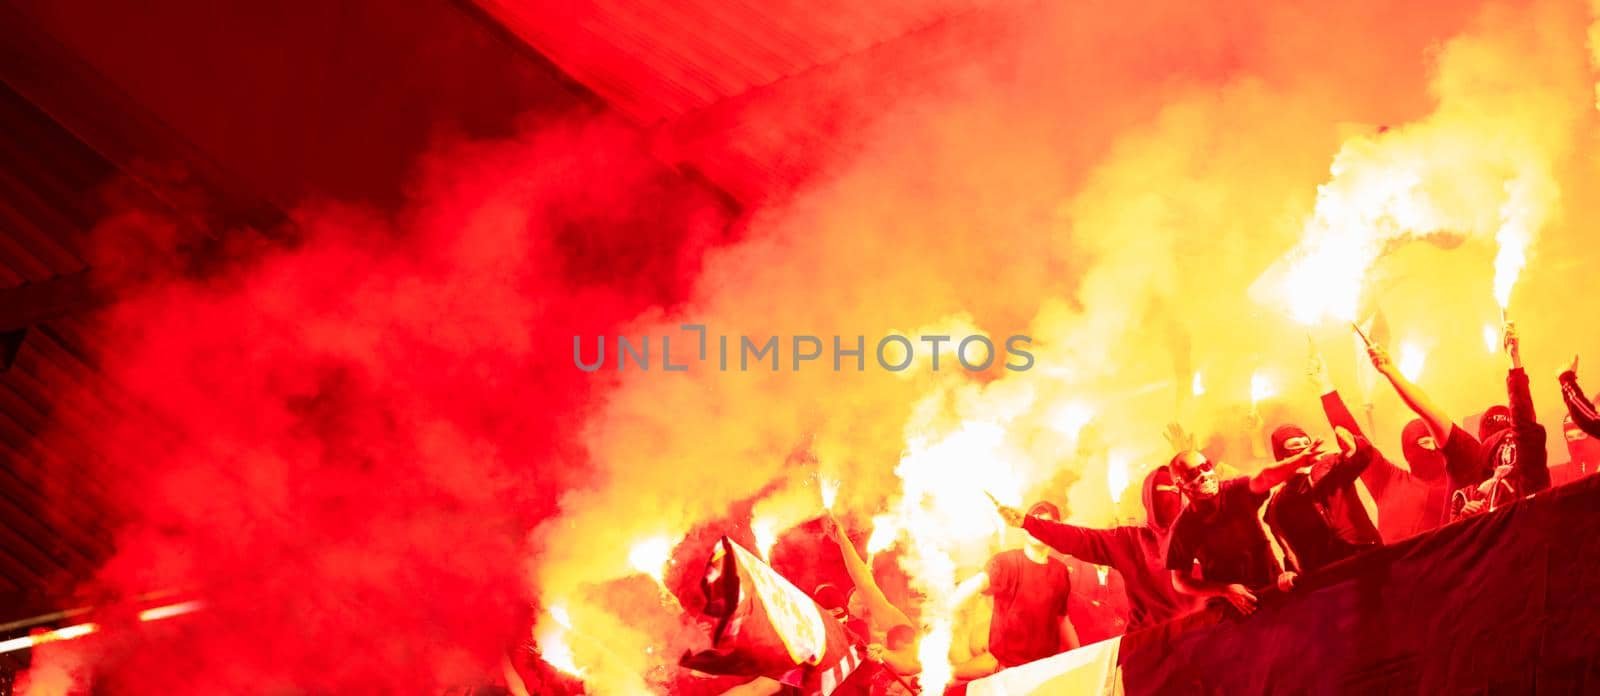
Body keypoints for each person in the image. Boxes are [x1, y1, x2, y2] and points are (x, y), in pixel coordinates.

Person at [996, 467, 1199, 632]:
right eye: (1163, 491)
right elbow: (1082, 540)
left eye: (1176, 491)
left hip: (1202, 643)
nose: (1171, 496)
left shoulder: (1200, 537)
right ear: (1149, 500)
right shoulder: (1132, 541)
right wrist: (1028, 523)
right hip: (1153, 652)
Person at [1309, 348, 1451, 541]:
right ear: (1409, 450)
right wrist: (1325, 387)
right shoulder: (1389, 481)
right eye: (1424, 442)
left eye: (1435, 442)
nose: (1432, 448)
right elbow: (1352, 438)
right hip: (1403, 566)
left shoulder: (1460, 481)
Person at [1164, 446, 1313, 616]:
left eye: (1206, 466)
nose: (1204, 475)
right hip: (1235, 608)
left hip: (1273, 589)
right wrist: (1224, 590)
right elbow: (1180, 581)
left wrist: (1300, 460)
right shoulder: (1183, 527)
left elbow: (1264, 478)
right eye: (1192, 474)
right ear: (1179, 484)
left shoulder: (1236, 491)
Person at [950, 501, 1079, 680]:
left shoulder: (1060, 571)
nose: (1036, 527)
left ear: (1056, 528)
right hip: (1007, 674)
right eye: (1033, 521)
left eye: (1044, 522)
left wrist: (1079, 659)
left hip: (1044, 671)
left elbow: (1062, 619)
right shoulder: (1005, 562)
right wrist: (943, 612)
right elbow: (976, 584)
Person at [1448, 323, 1550, 519]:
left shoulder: (1529, 479)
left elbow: (1525, 426)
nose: (1507, 449)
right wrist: (1467, 521)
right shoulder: (1465, 496)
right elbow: (1454, 544)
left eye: (1512, 440)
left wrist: (1515, 363)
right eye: (1498, 444)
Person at [1263, 425, 1381, 574]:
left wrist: (1347, 439)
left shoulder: (1329, 465)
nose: (1305, 448)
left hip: (1361, 556)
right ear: (1282, 455)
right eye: (1295, 445)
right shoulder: (1277, 503)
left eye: (1306, 442)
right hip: (1323, 572)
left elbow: (1361, 455)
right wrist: (1290, 572)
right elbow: (1290, 546)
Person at [820, 515, 921, 678]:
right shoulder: (850, 630)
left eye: (858, 593)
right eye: (852, 596)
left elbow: (911, 664)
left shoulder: (890, 622)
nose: (858, 595)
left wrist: (886, 654)